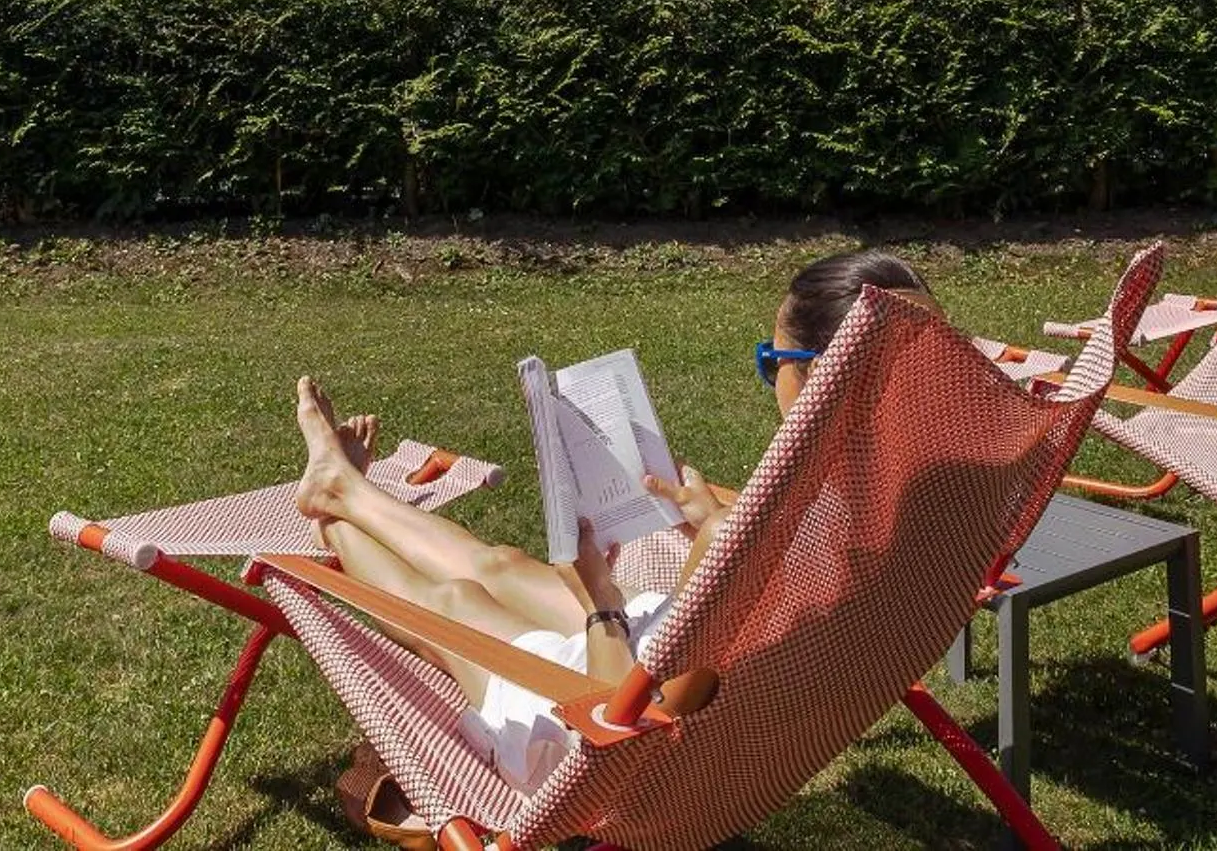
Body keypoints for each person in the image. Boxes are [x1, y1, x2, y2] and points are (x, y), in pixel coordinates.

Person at [293, 246, 934, 789]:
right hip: (714, 698)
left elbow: (622, 736)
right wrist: (716, 519)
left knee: (458, 602)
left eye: (772, 362)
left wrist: (601, 598)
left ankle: (335, 509)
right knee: (503, 565)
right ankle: (347, 489)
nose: (769, 380)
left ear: (817, 375)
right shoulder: (922, 503)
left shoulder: (737, 552)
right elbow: (791, 553)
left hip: (618, 736)